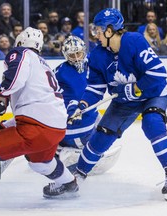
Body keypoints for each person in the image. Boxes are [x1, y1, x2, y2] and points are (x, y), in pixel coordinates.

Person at [0, 27, 79, 206]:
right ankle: (68, 184)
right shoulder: (41, 63)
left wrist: (1, 93)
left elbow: (15, 79)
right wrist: (7, 125)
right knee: (40, 162)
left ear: (19, 42)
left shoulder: (21, 53)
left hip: (36, 127)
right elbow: (37, 104)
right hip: (56, 127)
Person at [67, 8, 167, 201]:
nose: (96, 35)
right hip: (124, 102)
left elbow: (157, 76)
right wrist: (82, 105)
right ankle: (78, 176)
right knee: (102, 135)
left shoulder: (134, 41)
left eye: (99, 31)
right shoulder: (98, 55)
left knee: (152, 124)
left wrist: (130, 89)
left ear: (110, 31)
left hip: (154, 94)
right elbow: (95, 88)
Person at [54, 35, 121, 174]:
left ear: (84, 51)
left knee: (101, 119)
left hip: (83, 116)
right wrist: (72, 108)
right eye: (72, 55)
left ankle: (59, 147)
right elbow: (62, 99)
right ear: (66, 55)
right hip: (72, 127)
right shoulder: (60, 73)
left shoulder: (91, 64)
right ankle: (68, 148)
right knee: (102, 136)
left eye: (78, 53)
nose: (77, 58)